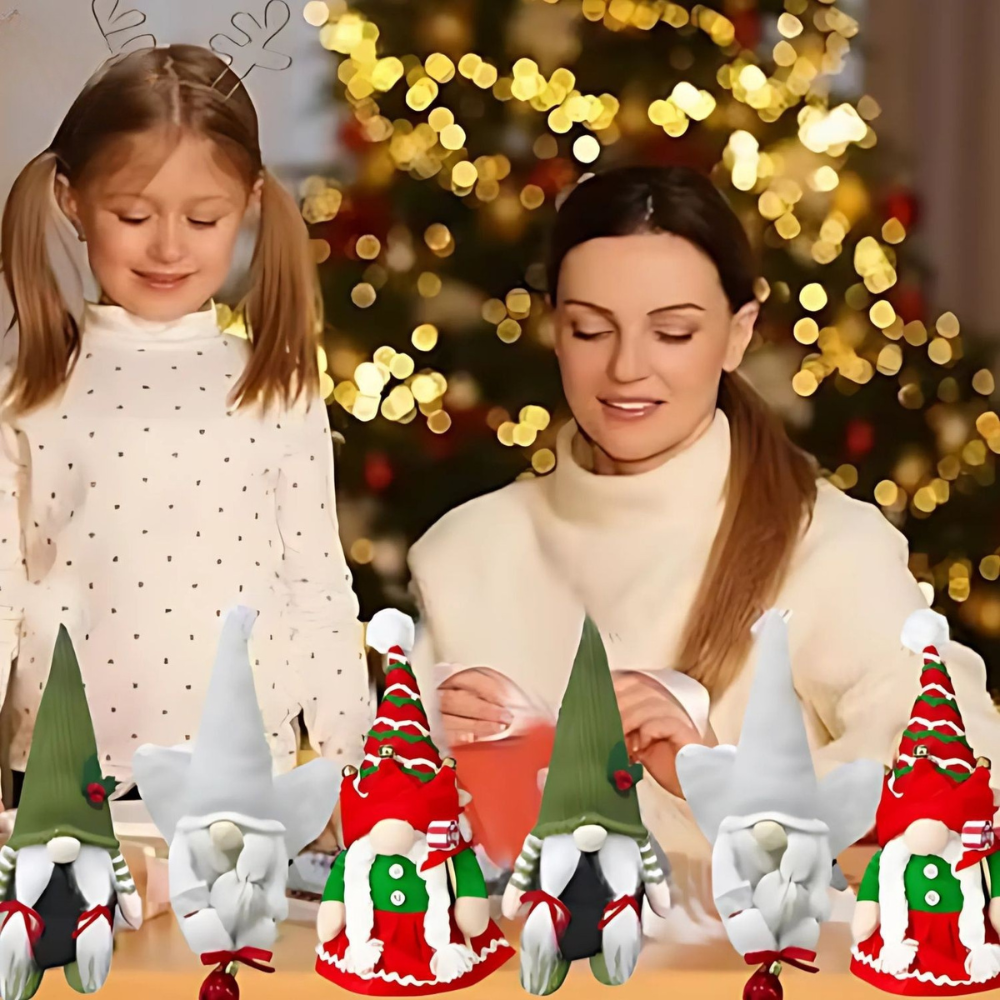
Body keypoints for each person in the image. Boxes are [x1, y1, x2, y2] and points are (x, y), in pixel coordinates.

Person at [406, 165, 1000, 933]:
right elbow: (370, 815)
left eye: (673, 332)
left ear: (739, 332)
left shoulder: (826, 544)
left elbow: (965, 765)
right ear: (555, 327)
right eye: (591, 329)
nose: (626, 368)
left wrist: (719, 780)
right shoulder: (467, 550)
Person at [0, 45, 370, 803]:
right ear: (72, 200)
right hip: (66, 772)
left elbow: (316, 583)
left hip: (245, 773)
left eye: (203, 218)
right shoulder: (27, 397)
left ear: (252, 201)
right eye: (133, 215)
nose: (168, 246)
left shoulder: (279, 387)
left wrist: (356, 765)